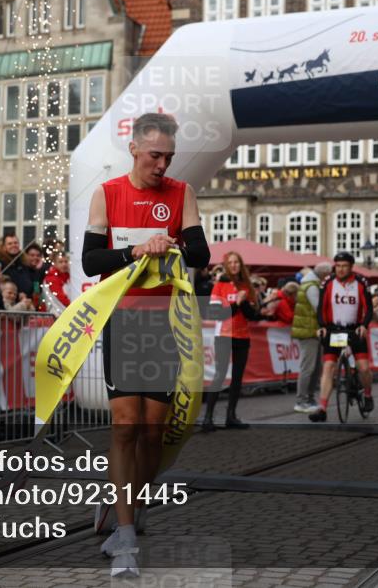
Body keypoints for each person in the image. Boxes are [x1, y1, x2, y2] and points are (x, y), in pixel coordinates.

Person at [81, 112, 210, 578]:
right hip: (124, 319)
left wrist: (171, 241)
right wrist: (134, 251)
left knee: (153, 431)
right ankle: (127, 535)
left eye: (169, 157)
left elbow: (201, 254)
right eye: (155, 155)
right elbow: (91, 259)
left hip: (165, 325)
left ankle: (127, 503)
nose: (162, 165)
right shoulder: (109, 193)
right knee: (124, 426)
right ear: (134, 149)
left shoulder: (181, 194)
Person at [309, 251, 374, 422]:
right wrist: (322, 326)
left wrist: (364, 325)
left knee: (364, 368)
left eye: (345, 266)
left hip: (354, 330)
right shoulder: (328, 282)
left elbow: (369, 308)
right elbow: (321, 307)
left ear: (351, 267)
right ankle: (322, 408)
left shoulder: (361, 282)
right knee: (329, 367)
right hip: (334, 330)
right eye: (338, 266)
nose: (341, 269)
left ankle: (367, 395)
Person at [204, 252, 260, 432]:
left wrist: (243, 303)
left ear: (241, 264)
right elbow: (218, 314)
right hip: (224, 335)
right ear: (226, 265)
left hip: (242, 337)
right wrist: (236, 303)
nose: (234, 265)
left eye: (237, 262)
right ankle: (208, 419)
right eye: (231, 262)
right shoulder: (220, 284)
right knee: (219, 376)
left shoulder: (247, 285)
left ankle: (231, 416)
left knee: (237, 379)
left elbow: (253, 315)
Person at [292, 262, 331, 415]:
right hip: (309, 331)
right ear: (323, 274)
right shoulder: (312, 286)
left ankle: (308, 399)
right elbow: (319, 308)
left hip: (312, 330)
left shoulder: (309, 283)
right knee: (308, 368)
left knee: (315, 368)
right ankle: (301, 401)